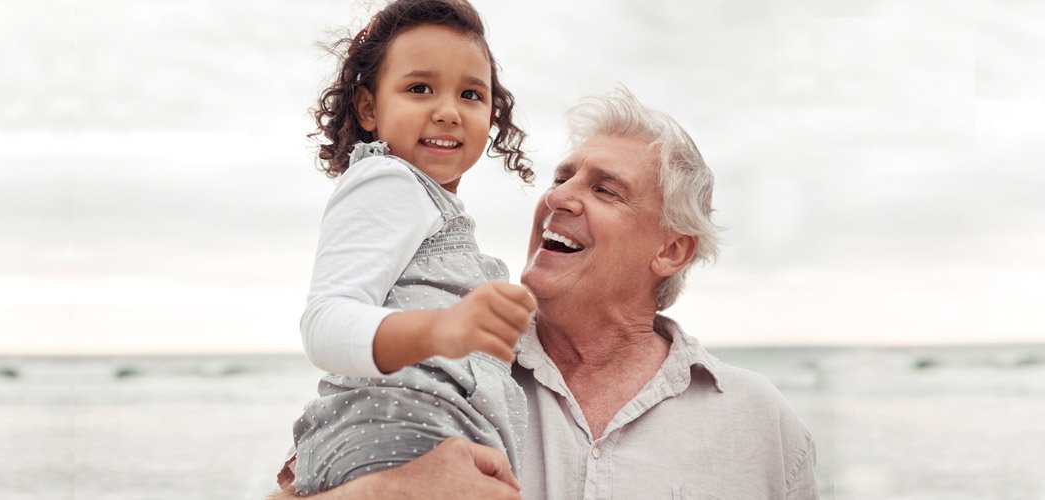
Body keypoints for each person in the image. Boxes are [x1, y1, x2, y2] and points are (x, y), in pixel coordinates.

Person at [277, 87, 818, 499]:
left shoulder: (760, 423)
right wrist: (387, 491)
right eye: (562, 178)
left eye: (605, 189)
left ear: (672, 250)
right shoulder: (431, 364)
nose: (559, 197)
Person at [291, 0, 538, 495]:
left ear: (491, 115)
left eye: (470, 94)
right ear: (369, 108)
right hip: (392, 443)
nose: (447, 111)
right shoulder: (389, 179)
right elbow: (325, 323)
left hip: (424, 444)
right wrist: (440, 329)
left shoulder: (429, 208)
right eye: (420, 88)